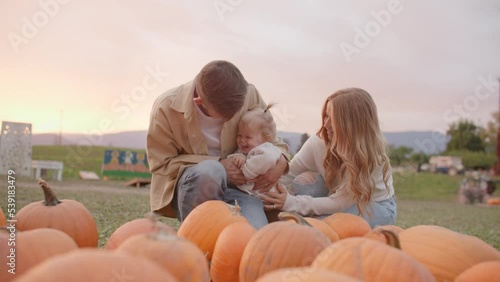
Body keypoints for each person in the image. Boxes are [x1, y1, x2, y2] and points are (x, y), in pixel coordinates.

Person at [146, 60, 290, 229]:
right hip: (196, 186)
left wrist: (282, 160)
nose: (230, 119)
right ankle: (197, 232)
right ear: (199, 102)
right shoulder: (166, 107)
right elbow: (161, 163)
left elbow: (270, 136)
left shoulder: (249, 94)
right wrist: (219, 164)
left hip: (241, 189)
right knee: (211, 171)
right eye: (224, 116)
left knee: (252, 236)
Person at [259, 87, 397, 228]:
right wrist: (255, 191)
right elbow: (288, 173)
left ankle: (302, 228)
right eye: (326, 116)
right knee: (304, 182)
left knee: (322, 225)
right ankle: (300, 225)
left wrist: (291, 203)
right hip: (335, 196)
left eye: (333, 118)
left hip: (374, 205)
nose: (325, 124)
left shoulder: (368, 155)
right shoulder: (318, 143)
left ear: (350, 124)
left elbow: (339, 203)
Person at [227, 104, 283, 195]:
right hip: (246, 193)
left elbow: (267, 159)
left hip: (265, 195)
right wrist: (238, 158)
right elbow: (233, 157)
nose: (242, 140)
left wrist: (246, 170)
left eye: (248, 137)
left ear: (266, 138)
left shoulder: (267, 150)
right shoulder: (245, 150)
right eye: (239, 135)